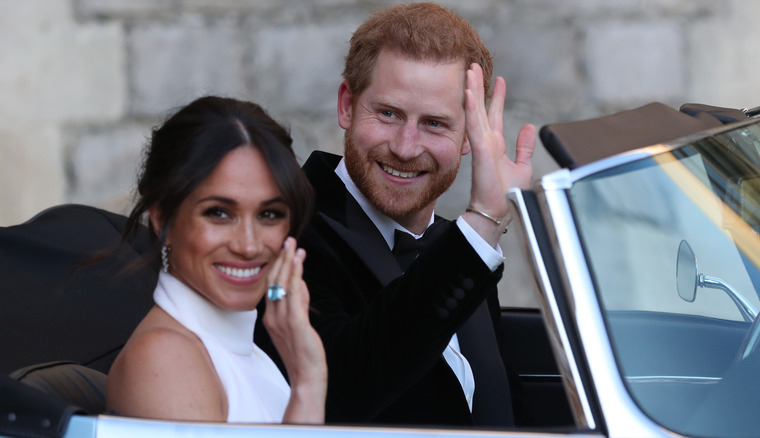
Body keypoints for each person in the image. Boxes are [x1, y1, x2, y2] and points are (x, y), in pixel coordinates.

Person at [270, 2, 537, 427]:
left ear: (470, 136)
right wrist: (484, 220)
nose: (406, 146)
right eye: (389, 113)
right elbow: (338, 389)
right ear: (346, 106)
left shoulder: (461, 247)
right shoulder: (286, 231)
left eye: (434, 123)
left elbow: (501, 410)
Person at [106, 96, 327, 424]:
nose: (249, 246)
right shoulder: (164, 358)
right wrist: (308, 385)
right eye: (219, 213)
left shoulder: (248, 353)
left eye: (269, 214)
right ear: (161, 218)